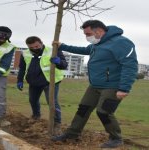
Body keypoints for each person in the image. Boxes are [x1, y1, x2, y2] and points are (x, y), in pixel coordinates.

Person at [51, 20, 138, 148]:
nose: (87, 37)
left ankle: (116, 138)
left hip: (112, 86)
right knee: (83, 109)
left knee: (104, 112)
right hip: (95, 85)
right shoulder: (97, 44)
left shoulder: (121, 43)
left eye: (88, 33)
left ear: (99, 31)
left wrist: (124, 88)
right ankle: (72, 134)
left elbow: (130, 66)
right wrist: (62, 46)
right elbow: (84, 50)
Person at [16, 36, 68, 134]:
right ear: (28, 46)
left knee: (52, 102)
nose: (35, 49)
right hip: (34, 81)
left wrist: (58, 62)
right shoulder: (25, 53)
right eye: (32, 47)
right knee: (33, 100)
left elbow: (64, 65)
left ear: (41, 43)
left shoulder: (53, 50)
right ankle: (36, 116)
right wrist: (19, 80)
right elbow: (22, 68)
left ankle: (57, 123)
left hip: (50, 81)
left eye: (37, 46)